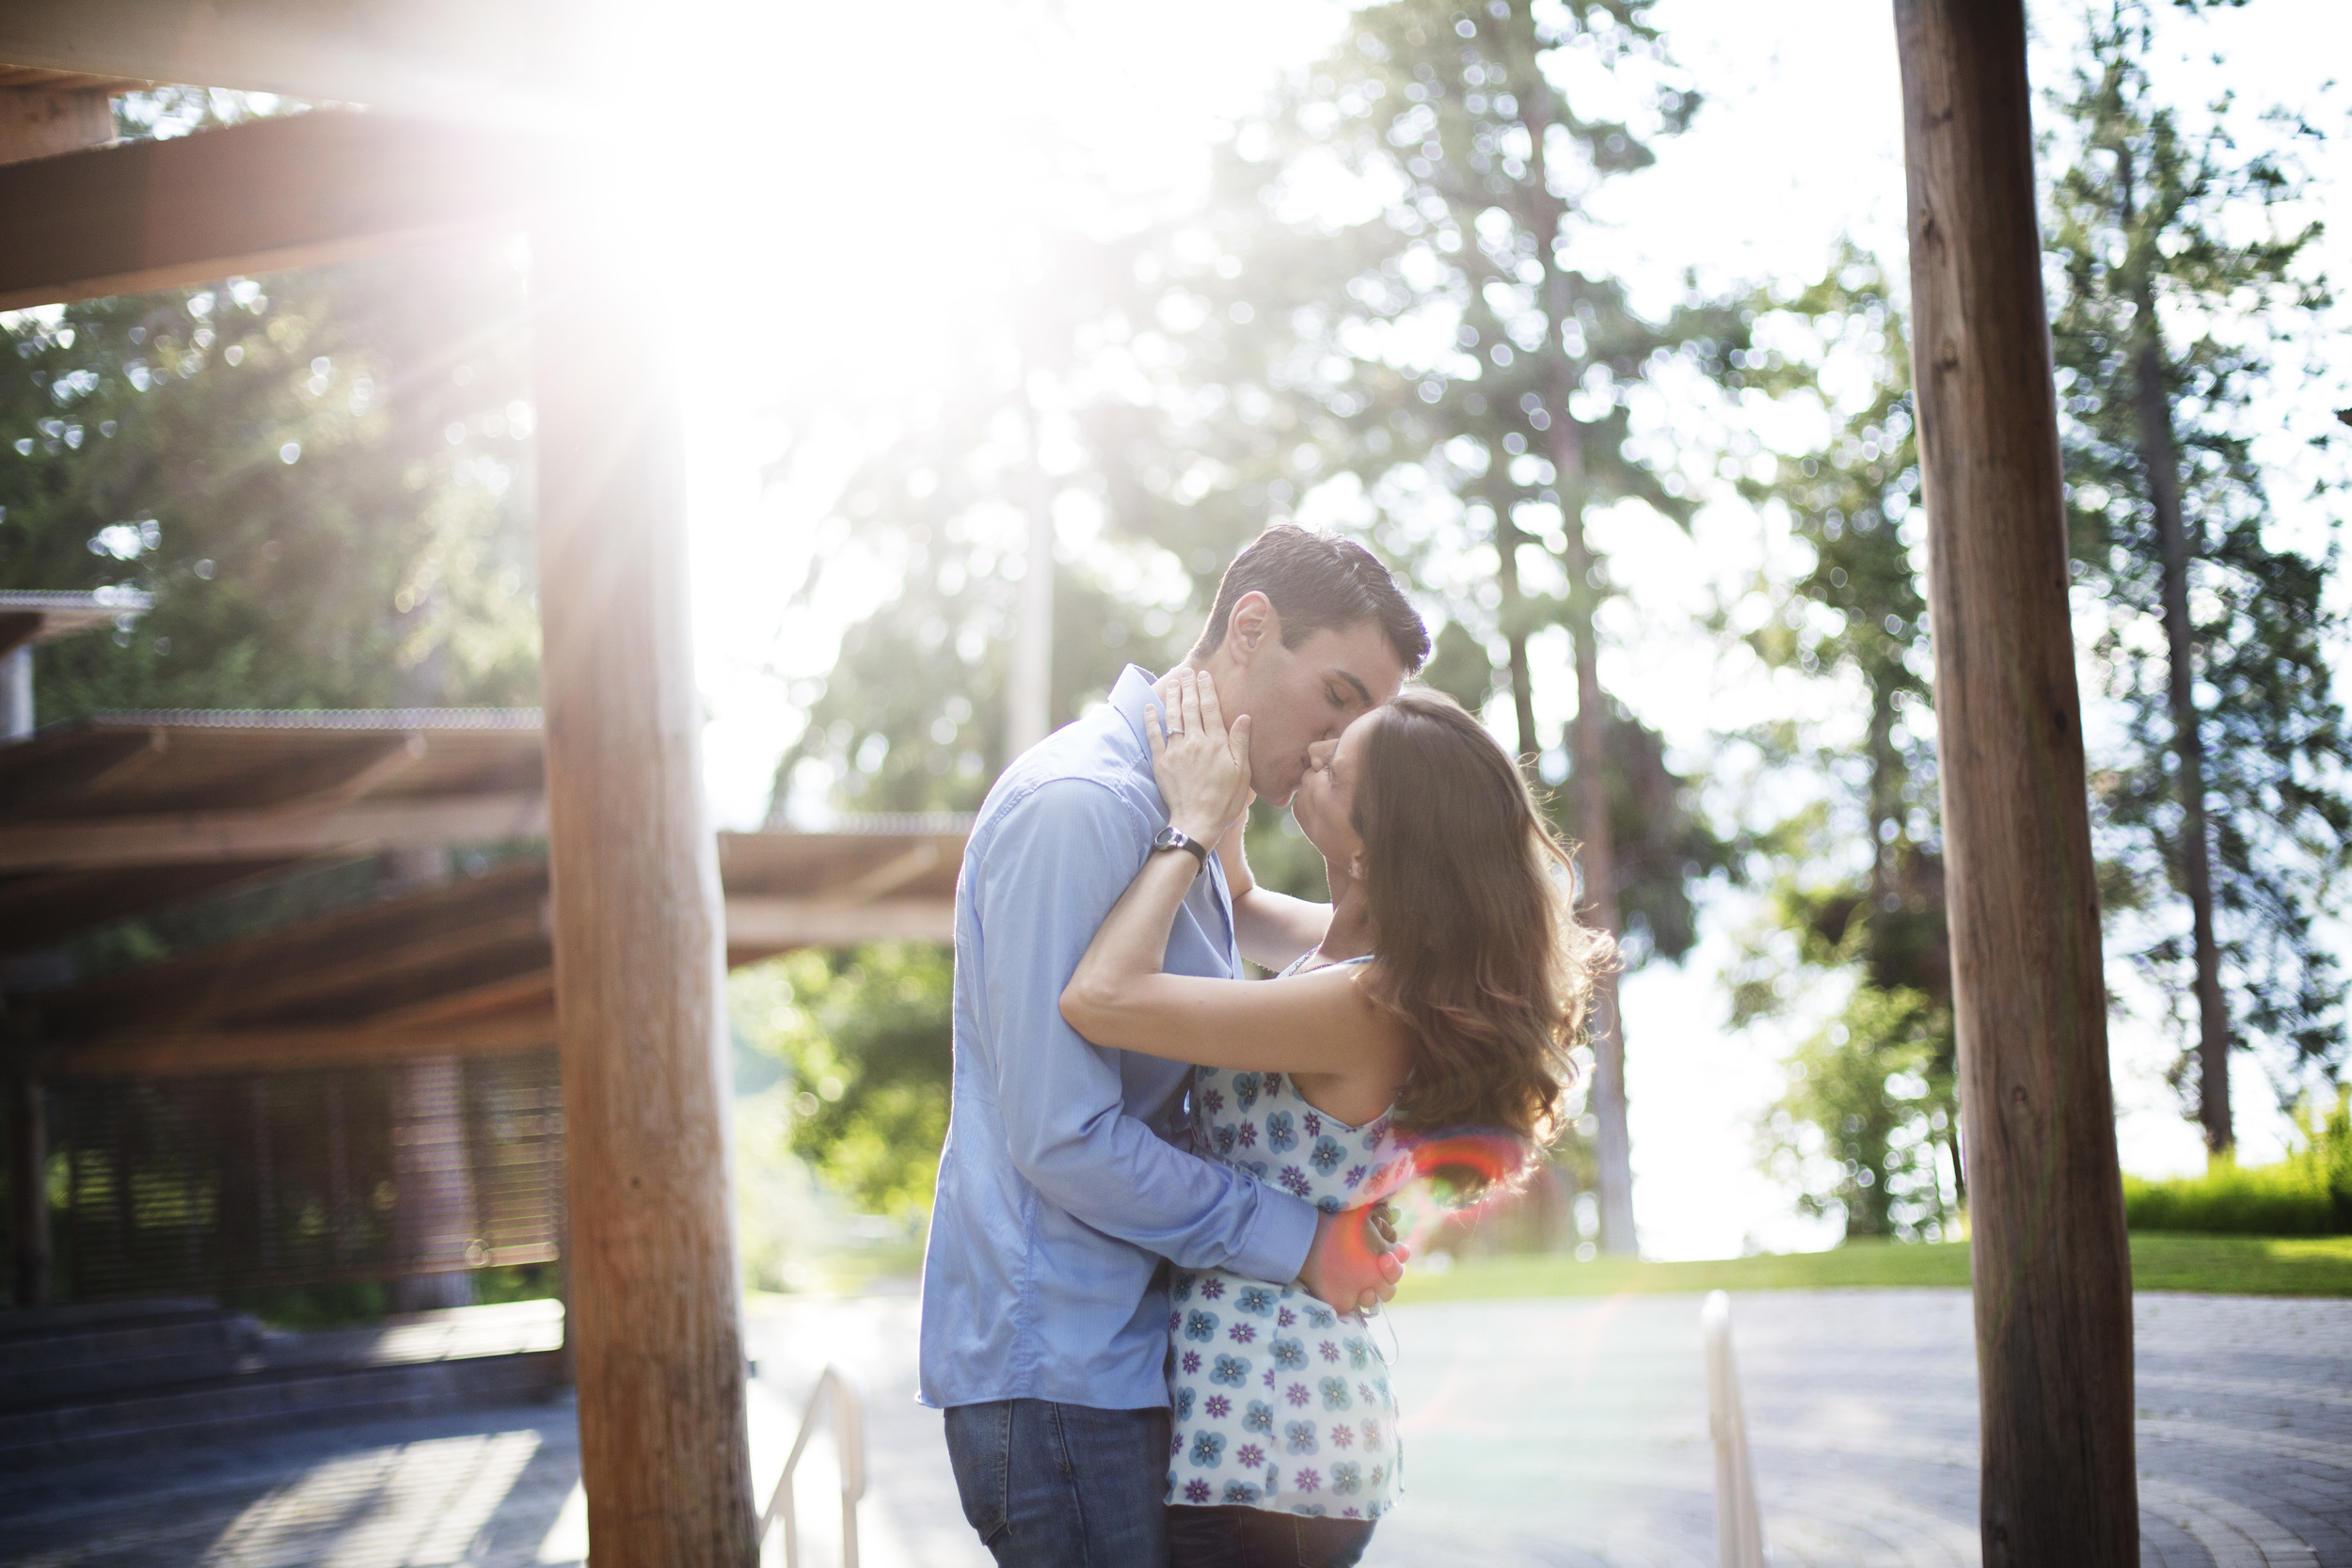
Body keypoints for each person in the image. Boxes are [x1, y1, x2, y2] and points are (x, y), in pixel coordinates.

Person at [920, 525, 1431, 1568]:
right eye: (1336, 696)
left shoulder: (1179, 814)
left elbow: (1267, 936)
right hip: (1061, 1371)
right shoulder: (1085, 807)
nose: (1339, 744)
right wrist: (1301, 1241)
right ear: (1250, 628)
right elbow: (1063, 1137)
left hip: (1128, 1363)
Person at [1060, 669, 1611, 1568]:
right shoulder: (1350, 956)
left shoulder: (1363, 1001)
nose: (1316, 753)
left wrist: (1188, 827)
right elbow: (1234, 903)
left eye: (1338, 768)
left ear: (1375, 849)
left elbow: (1103, 996)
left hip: (1267, 1437)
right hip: (1284, 1426)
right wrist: (1230, 767)